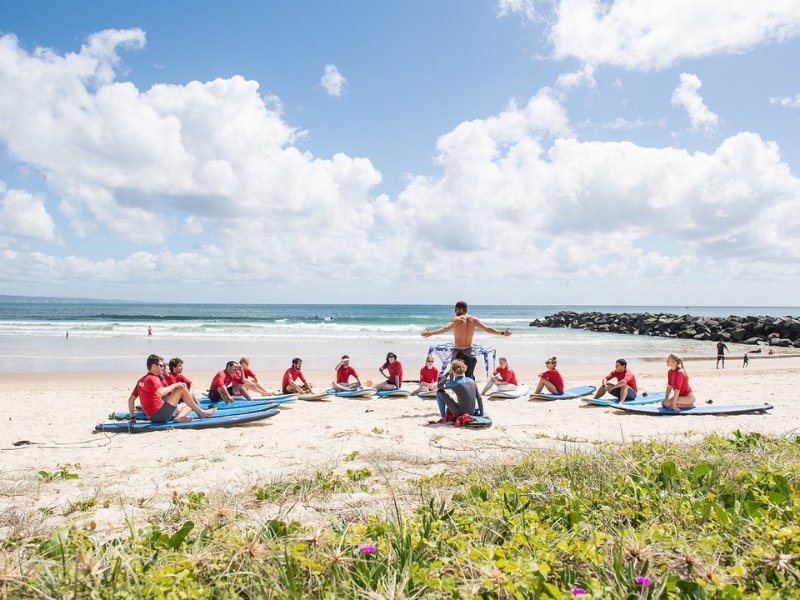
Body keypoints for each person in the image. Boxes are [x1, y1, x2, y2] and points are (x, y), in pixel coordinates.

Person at [421, 301, 511, 380]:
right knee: (470, 377)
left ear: (460, 309)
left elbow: (445, 328)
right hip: (469, 352)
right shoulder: (474, 320)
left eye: (455, 309)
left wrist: (431, 333)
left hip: (458, 353)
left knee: (456, 377)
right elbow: (487, 329)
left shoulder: (456, 319)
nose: (454, 311)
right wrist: (502, 333)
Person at [127, 354, 215, 422]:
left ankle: (180, 417)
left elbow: (131, 399)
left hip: (155, 414)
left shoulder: (141, 380)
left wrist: (133, 418)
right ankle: (201, 413)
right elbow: (160, 393)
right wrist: (175, 385)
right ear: (154, 366)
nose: (162, 368)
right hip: (158, 415)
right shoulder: (153, 378)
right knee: (181, 389)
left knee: (188, 404)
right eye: (161, 366)